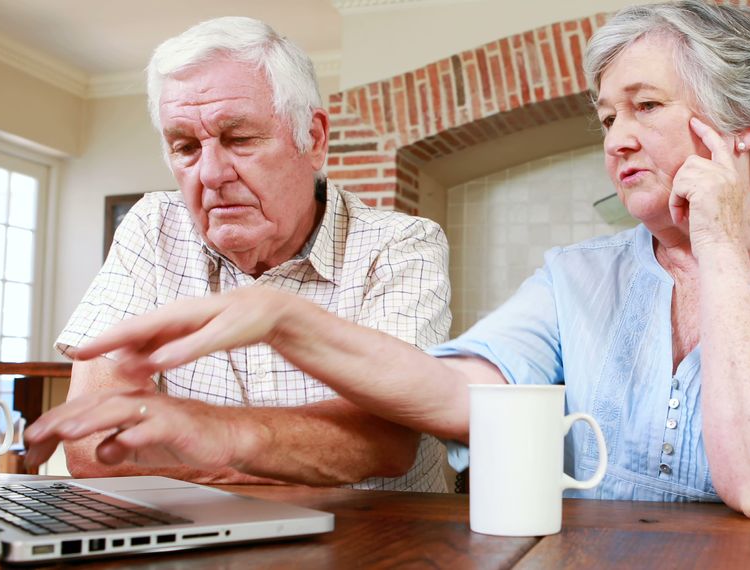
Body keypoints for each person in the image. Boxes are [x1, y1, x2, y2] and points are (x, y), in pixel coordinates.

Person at [27, 0, 750, 519]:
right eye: (607, 117)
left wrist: (714, 236)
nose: (618, 139)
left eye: (644, 106)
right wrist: (287, 318)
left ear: (742, 127)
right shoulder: (576, 276)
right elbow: (449, 396)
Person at [47, 16, 452, 492]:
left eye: (240, 139)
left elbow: (384, 439)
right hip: (202, 542)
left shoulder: (400, 244)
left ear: (314, 139)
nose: (212, 173)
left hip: (383, 545)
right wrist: (286, 448)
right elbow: (94, 443)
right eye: (185, 147)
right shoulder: (153, 226)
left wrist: (211, 435)